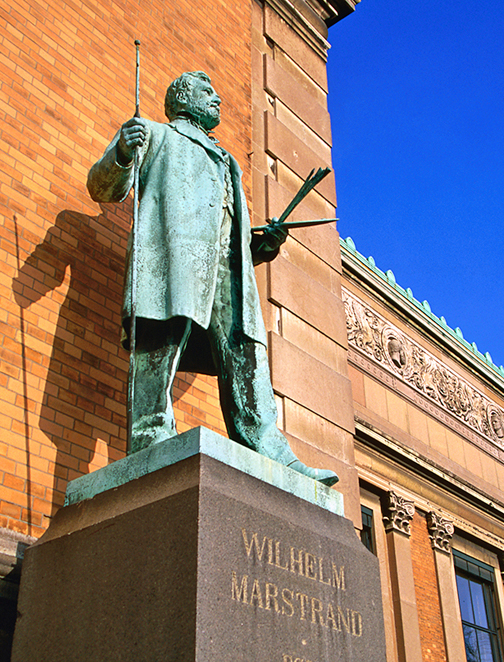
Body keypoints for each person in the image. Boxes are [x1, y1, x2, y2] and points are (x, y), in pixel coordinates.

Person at [87, 71, 338, 486]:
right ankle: (150, 436)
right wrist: (120, 155)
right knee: (162, 341)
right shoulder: (151, 134)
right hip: (172, 261)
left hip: (224, 272)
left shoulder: (227, 161)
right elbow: (103, 188)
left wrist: (264, 245)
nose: (218, 100)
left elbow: (230, 237)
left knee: (245, 350)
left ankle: (269, 447)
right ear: (184, 98)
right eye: (209, 93)